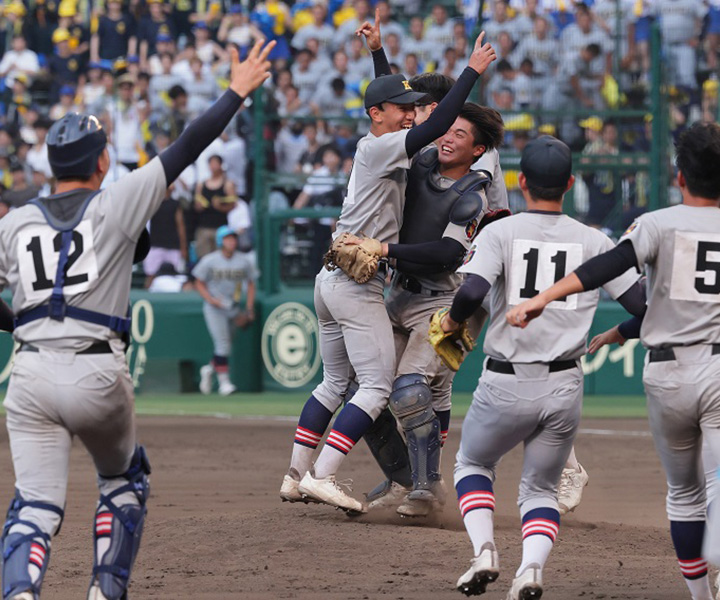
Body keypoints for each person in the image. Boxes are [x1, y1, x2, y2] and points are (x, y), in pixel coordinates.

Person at [0, 40, 274, 600]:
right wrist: (237, 92)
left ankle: (20, 593)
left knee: (35, 505)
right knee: (123, 480)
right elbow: (188, 145)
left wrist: (18, 324)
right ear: (102, 160)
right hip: (96, 371)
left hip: (26, 373)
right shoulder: (116, 199)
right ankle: (103, 591)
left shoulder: (16, 220)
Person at [279, 11, 497, 514]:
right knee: (375, 386)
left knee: (354, 385)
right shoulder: (387, 150)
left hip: (382, 286)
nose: (414, 114)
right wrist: (472, 70)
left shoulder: (453, 178)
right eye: (403, 108)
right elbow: (425, 117)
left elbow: (400, 103)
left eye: (413, 107)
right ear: (381, 113)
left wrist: (379, 55)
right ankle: (330, 476)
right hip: (364, 286)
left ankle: (300, 476)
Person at [506, 122, 720, 600]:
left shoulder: (659, 223)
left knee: (684, 494)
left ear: (680, 177)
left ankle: (703, 595)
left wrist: (545, 296)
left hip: (667, 373)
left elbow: (608, 267)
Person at [443, 135, 644, 598]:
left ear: (521, 181)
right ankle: (531, 569)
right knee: (540, 490)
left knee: (473, 463)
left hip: (505, 380)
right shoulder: (594, 239)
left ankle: (485, 551)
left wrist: (452, 322)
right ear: (570, 184)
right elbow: (642, 305)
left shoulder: (501, 231)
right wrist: (620, 332)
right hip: (564, 385)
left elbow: (471, 293)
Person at [193, 226, 258, 396]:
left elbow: (251, 283)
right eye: (228, 239)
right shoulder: (210, 260)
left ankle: (209, 369)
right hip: (215, 307)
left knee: (226, 345)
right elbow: (198, 281)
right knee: (222, 344)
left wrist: (249, 308)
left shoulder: (243, 260)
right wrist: (210, 299)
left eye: (233, 238)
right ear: (221, 241)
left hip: (233, 307)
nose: (232, 242)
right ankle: (224, 383)